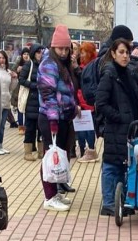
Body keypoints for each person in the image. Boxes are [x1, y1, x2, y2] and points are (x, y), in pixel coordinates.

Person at [95, 38, 138, 216]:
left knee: (123, 164)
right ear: (113, 54)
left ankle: (120, 202)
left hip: (128, 128)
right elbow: (101, 103)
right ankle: (108, 204)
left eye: (127, 53)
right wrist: (119, 117)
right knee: (111, 165)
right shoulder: (109, 74)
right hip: (116, 127)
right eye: (121, 52)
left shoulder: (126, 73)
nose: (125, 56)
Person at [37, 24, 79, 213]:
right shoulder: (48, 64)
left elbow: (68, 91)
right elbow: (48, 95)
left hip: (63, 117)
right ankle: (49, 196)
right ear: (53, 47)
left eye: (66, 48)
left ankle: (55, 193)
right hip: (50, 118)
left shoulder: (63, 64)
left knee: (58, 154)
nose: (63, 51)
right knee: (50, 156)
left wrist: (73, 107)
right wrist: (54, 120)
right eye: (60, 48)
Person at [75, 41, 99, 161]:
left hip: (89, 103)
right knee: (80, 128)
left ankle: (91, 150)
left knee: (89, 129)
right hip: (79, 102)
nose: (81, 55)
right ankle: (82, 149)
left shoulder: (94, 67)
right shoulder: (80, 66)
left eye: (83, 53)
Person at [18, 44, 43, 159]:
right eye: (38, 52)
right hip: (30, 101)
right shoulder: (29, 64)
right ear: (34, 53)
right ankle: (28, 152)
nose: (40, 54)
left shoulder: (44, 65)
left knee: (42, 128)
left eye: (41, 52)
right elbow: (21, 79)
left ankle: (41, 151)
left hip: (41, 101)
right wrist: (34, 85)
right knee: (30, 128)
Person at [0, 49, 15, 155]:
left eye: (3, 58)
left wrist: (14, 78)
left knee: (2, 125)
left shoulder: (7, 72)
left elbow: (11, 87)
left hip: (6, 100)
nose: (1, 60)